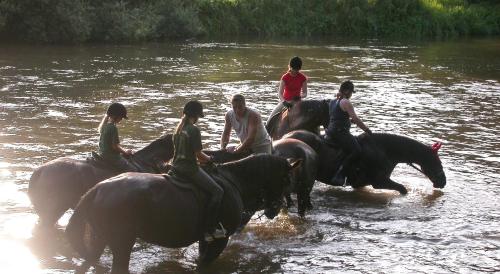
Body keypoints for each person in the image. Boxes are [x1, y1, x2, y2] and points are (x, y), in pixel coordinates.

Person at [170, 100, 226, 242]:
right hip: (189, 169)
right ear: (195, 115)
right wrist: (211, 159)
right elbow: (199, 154)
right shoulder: (193, 130)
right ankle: (209, 229)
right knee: (218, 191)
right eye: (198, 117)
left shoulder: (178, 129)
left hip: (175, 167)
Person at [325, 80, 372, 185]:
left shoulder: (332, 101)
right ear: (346, 91)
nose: (351, 95)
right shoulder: (346, 102)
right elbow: (355, 118)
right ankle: (340, 174)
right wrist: (367, 130)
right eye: (351, 92)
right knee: (357, 150)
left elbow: (336, 117)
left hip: (330, 131)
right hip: (340, 132)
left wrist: (347, 120)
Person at [266, 56, 308, 128]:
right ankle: (267, 131)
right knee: (271, 118)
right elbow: (280, 93)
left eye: (297, 70)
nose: (295, 72)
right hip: (286, 102)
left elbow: (305, 93)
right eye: (294, 69)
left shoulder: (303, 78)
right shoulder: (285, 77)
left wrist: (300, 96)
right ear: (290, 67)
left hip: (297, 101)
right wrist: (284, 102)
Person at [97, 102, 138, 172]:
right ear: (116, 116)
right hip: (111, 157)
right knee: (134, 170)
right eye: (121, 117)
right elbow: (115, 146)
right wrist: (125, 152)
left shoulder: (104, 126)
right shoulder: (113, 128)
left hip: (102, 154)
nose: (121, 119)